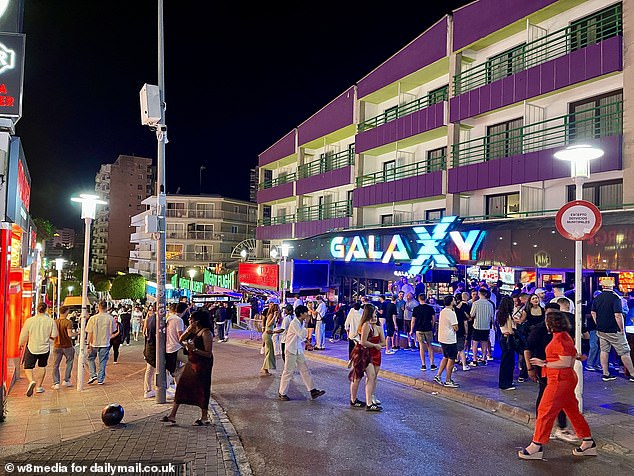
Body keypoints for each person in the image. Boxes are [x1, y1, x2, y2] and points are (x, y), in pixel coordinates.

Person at [518, 311, 596, 460]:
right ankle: (588, 442)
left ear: (551, 324)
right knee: (572, 411)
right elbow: (571, 356)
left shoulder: (560, 339)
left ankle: (536, 445)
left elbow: (565, 362)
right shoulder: (564, 337)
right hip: (563, 379)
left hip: (559, 380)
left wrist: (544, 363)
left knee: (544, 410)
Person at [161, 309, 214, 426]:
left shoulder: (206, 333)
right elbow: (181, 339)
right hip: (192, 362)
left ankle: (204, 417)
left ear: (198, 321)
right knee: (182, 386)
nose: (189, 320)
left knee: (202, 389)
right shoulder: (194, 331)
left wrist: (193, 349)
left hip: (202, 365)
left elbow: (208, 353)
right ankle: (172, 415)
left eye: (191, 319)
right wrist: (189, 329)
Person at [278, 305, 326, 401]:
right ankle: (282, 393)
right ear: (301, 314)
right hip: (291, 350)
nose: (307, 314)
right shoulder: (294, 323)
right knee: (288, 372)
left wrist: (307, 343)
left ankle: (313, 391)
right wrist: (307, 323)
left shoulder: (300, 322)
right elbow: (301, 334)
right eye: (305, 312)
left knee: (305, 370)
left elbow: (302, 337)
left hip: (298, 350)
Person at [591, 282, 634, 382]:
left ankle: (605, 374)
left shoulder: (597, 297)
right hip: (614, 330)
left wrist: (598, 323)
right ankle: (632, 374)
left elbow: (593, 312)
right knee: (624, 351)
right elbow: (618, 315)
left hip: (601, 330)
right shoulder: (616, 298)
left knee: (604, 350)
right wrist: (622, 329)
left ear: (603, 286)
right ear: (612, 286)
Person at [349, 304, 386, 412]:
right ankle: (356, 400)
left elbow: (383, 341)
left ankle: (368, 401)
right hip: (363, 354)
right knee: (359, 377)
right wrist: (375, 345)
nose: (375, 316)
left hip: (371, 354)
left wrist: (378, 345)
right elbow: (363, 342)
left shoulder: (376, 327)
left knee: (371, 377)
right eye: (374, 313)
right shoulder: (366, 325)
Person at [19, 302, 58, 396]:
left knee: (28, 367)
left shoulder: (30, 321)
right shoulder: (50, 321)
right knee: (42, 366)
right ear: (46, 309)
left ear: (37, 309)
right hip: (44, 348)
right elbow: (54, 335)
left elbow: (24, 334)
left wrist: (20, 344)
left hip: (32, 347)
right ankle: (39, 387)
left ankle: (31, 381)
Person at [85, 300, 117, 385]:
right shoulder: (110, 318)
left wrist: (88, 344)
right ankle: (100, 379)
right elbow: (113, 331)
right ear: (107, 308)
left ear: (98, 307)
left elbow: (90, 332)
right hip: (105, 342)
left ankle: (93, 374)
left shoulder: (93, 318)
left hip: (94, 342)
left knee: (90, 358)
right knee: (103, 361)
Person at [433, 295, 459, 388]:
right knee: (451, 359)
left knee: (445, 357)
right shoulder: (451, 313)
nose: (455, 301)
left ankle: (438, 375)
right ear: (451, 302)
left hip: (442, 338)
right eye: (454, 300)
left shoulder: (443, 311)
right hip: (450, 339)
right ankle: (448, 380)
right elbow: (456, 327)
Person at [51, 306, 78, 390]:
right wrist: (77, 334)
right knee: (69, 362)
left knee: (55, 365)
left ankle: (56, 383)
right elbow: (70, 334)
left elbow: (51, 335)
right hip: (67, 345)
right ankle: (66, 380)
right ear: (66, 312)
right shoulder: (68, 322)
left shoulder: (54, 322)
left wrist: (55, 339)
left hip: (57, 346)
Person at [410, 293, 436, 371]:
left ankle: (423, 365)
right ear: (426, 298)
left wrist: (411, 330)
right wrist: (432, 327)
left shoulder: (416, 309)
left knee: (421, 346)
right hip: (428, 328)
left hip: (419, 329)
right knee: (430, 346)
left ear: (419, 299)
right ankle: (432, 364)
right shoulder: (430, 308)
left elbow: (413, 321)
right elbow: (434, 319)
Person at [497, 296, 518, 390]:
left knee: (504, 361)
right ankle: (506, 383)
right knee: (509, 362)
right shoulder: (508, 316)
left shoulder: (499, 314)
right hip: (508, 339)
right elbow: (510, 331)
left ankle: (504, 381)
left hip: (503, 338)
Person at [470, 288, 495, 366]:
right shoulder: (490, 304)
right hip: (486, 326)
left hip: (477, 326)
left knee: (475, 343)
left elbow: (472, 314)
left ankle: (474, 359)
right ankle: (484, 358)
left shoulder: (476, 303)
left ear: (479, 294)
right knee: (484, 342)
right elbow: (492, 317)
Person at [166, 302, 187, 387]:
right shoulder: (179, 320)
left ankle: (178, 390)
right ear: (184, 310)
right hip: (176, 347)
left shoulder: (169, 318)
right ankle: (176, 372)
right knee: (192, 361)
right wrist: (186, 345)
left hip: (169, 346)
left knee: (177, 366)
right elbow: (180, 336)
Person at [261, 303, 281, 376]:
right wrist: (274, 316)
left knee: (269, 352)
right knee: (269, 352)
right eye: (277, 309)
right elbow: (269, 324)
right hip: (267, 334)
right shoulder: (271, 315)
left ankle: (264, 368)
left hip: (269, 334)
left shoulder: (272, 315)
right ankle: (265, 369)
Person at [143, 305, 157, 398]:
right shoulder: (155, 319)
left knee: (150, 369)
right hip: (152, 347)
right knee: (151, 369)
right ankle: (148, 390)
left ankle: (148, 389)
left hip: (149, 346)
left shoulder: (150, 319)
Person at [454, 293, 470, 371]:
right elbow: (466, 322)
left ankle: (452, 366)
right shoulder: (462, 310)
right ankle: (464, 365)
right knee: (461, 349)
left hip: (452, 332)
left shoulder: (451, 311)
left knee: (453, 349)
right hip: (460, 331)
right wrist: (466, 333)